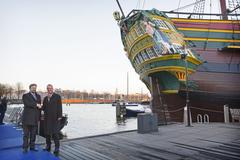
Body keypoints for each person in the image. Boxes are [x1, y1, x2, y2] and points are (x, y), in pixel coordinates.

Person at [42, 84, 62, 156]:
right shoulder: (45, 98)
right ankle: (48, 146)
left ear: (52, 89)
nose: (49, 89)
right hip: (47, 118)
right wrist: (38, 106)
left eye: (50, 88)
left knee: (55, 133)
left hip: (55, 118)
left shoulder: (57, 96)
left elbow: (59, 106)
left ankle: (57, 147)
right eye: (48, 88)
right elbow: (43, 107)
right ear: (47, 89)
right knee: (47, 133)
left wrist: (60, 115)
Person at [22, 84, 41, 153]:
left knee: (33, 134)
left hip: (35, 119)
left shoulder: (38, 96)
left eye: (35, 88)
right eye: (32, 88)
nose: (34, 89)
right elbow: (27, 104)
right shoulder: (25, 96)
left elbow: (39, 107)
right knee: (26, 134)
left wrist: (40, 113)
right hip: (27, 118)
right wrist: (36, 105)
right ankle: (25, 148)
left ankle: (32, 147)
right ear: (29, 88)